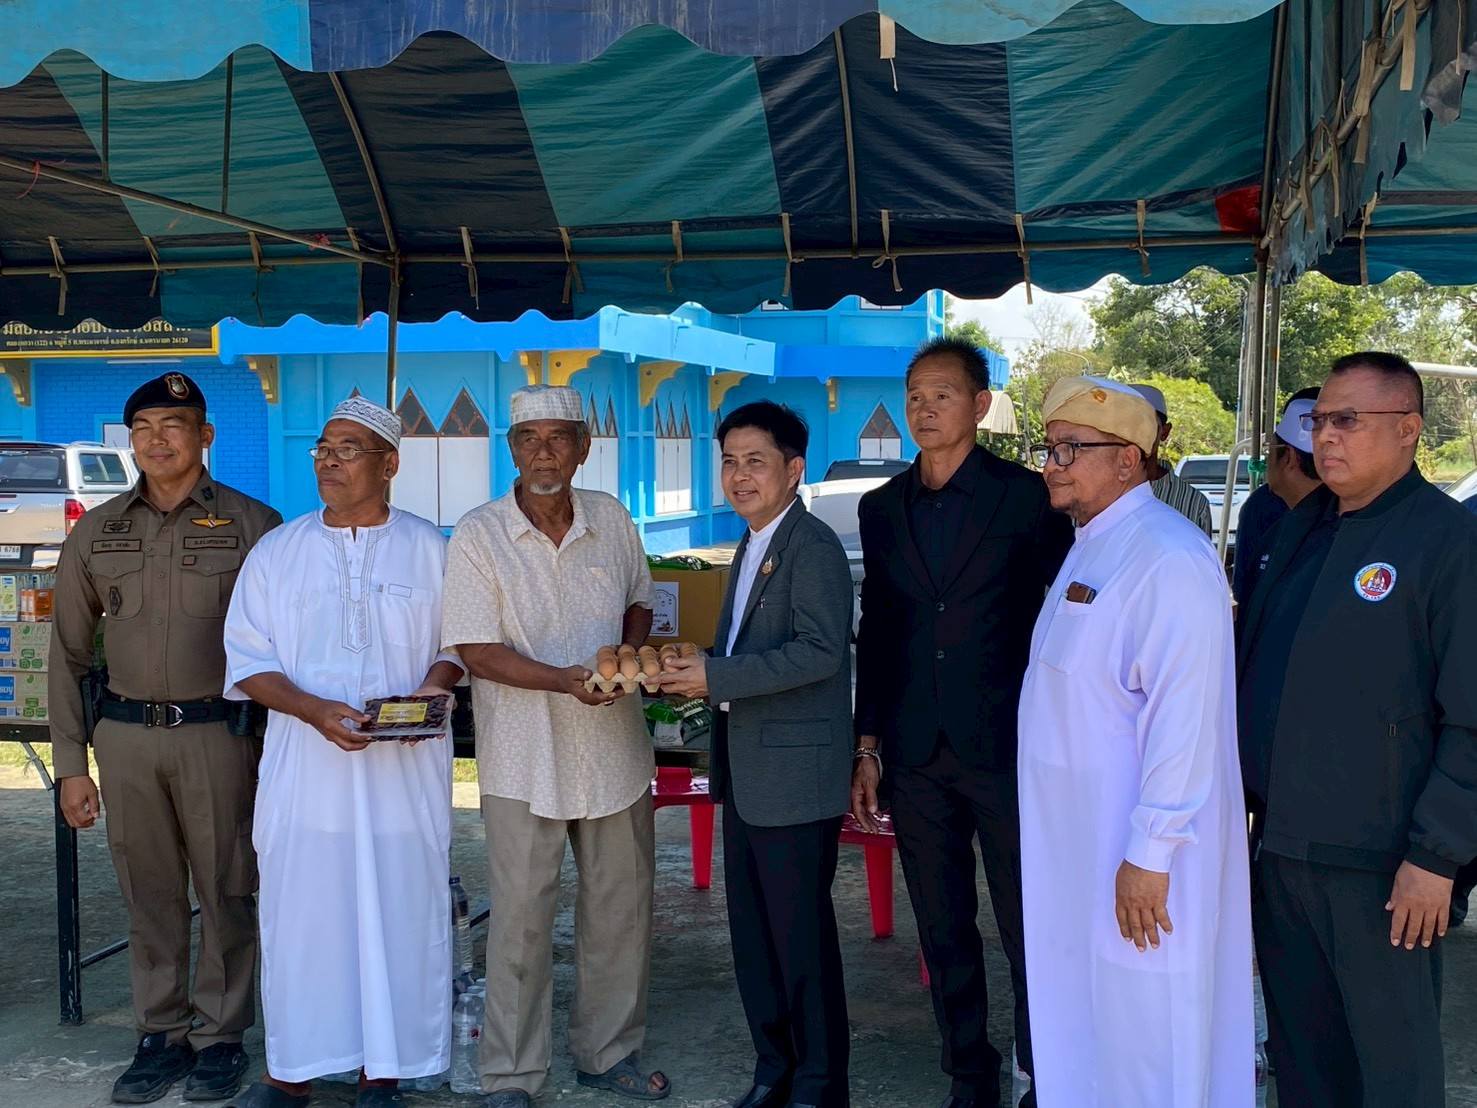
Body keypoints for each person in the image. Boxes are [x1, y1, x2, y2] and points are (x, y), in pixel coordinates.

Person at [1237, 352, 1477, 1107]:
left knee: (1391, 1068)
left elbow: (1472, 715)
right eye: (1318, 421)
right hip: (1282, 848)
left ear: (1407, 429)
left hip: (1382, 864)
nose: (1325, 437)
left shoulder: (1447, 540)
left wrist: (1437, 856)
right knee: (1304, 1060)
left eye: (1347, 420)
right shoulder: (1302, 527)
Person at [221, 397, 465, 1108]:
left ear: (390, 465)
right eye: (322, 449)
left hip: (403, 775)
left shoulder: (431, 548)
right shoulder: (278, 551)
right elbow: (247, 660)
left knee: (398, 913)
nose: (328, 461)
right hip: (306, 772)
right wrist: (312, 709)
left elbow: (460, 642)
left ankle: (382, 1073)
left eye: (347, 449)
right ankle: (291, 1072)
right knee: (304, 918)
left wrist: (431, 687)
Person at [1017, 376, 1253, 1107]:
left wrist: (1150, 854)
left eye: (1070, 449)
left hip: (1142, 860)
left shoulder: (1167, 556)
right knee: (1092, 1024)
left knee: (1151, 1033)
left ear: (1128, 459)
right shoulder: (1093, 543)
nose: (1052, 464)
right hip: (1080, 849)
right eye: (1048, 448)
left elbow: (1186, 721)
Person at [851, 336, 1072, 1108]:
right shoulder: (881, 509)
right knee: (942, 926)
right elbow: (878, 628)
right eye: (914, 395)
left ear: (979, 406)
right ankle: (968, 1074)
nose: (924, 408)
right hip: (915, 752)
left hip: (1009, 745)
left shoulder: (1025, 498)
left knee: (1027, 921)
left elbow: (1064, 617)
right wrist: (868, 744)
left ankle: (1047, 1072)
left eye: (941, 394)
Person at [49, 373, 280, 1105]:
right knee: (147, 891)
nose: (156, 440)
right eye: (143, 428)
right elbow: (67, 654)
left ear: (204, 436)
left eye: (173, 425)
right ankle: (160, 1032)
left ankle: (221, 1035)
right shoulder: (97, 529)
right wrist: (70, 765)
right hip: (125, 738)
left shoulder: (256, 524)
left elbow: (285, 644)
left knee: (226, 887)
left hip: (219, 736)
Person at [441, 385, 669, 1108]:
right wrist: (563, 680)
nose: (544, 452)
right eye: (529, 439)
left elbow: (640, 599)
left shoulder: (611, 517)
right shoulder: (478, 533)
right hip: (522, 756)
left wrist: (624, 656)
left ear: (583, 447)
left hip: (613, 752)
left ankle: (609, 1052)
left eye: (558, 437)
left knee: (620, 910)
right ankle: (511, 1073)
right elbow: (475, 649)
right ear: (511, 449)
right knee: (519, 920)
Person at [659, 401, 853, 1108]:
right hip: (746, 773)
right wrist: (699, 664)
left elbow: (821, 651)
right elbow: (751, 648)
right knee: (754, 940)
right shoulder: (750, 542)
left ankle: (817, 1086)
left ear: (793, 469)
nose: (739, 476)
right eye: (730, 462)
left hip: (794, 778)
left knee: (799, 942)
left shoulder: (812, 545)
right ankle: (774, 1071)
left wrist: (716, 676)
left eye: (756, 462)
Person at [1231, 387, 1322, 610]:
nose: (1267, 458)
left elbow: (1245, 591)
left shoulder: (1265, 508)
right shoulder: (1261, 504)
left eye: (1270, 448)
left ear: (1288, 457)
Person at [1130, 383, 1213, 535]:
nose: (1131, 434)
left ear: (1164, 432)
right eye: (1121, 426)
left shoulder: (1194, 503)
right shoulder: (1092, 494)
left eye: (1144, 424)